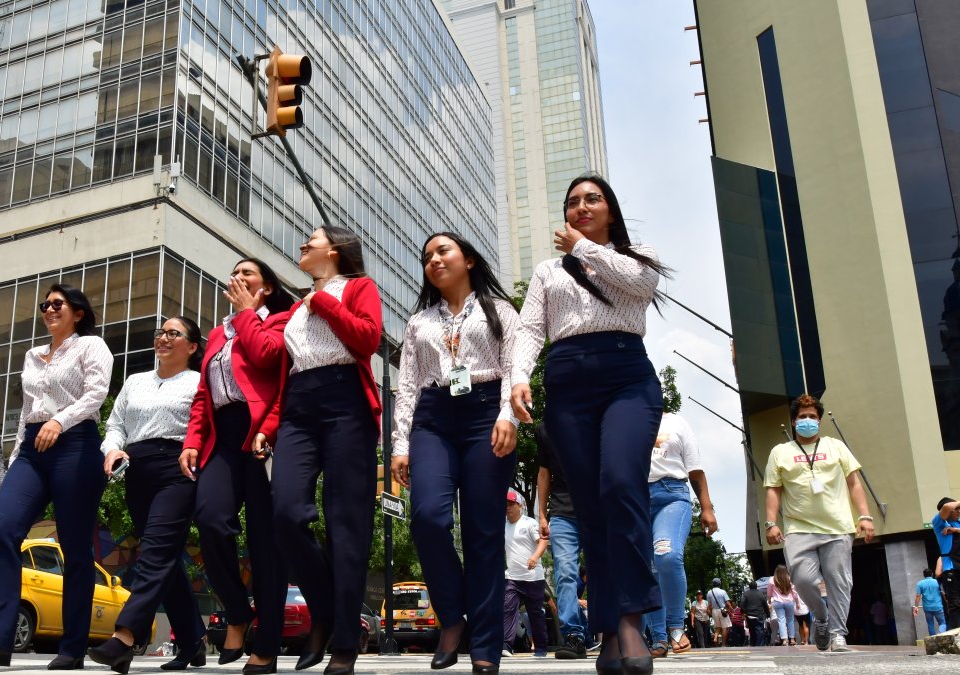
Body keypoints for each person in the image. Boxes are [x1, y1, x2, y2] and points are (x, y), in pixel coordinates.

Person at [512, 173, 670, 675]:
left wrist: (583, 248)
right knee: (591, 509)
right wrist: (518, 377)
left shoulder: (636, 255)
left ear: (610, 210)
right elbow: (530, 328)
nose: (581, 207)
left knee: (621, 485)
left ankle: (629, 624)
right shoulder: (546, 272)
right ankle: (607, 629)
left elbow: (640, 286)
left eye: (592, 200)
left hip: (627, 377)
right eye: (573, 202)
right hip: (566, 384)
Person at [0, 284, 113, 669]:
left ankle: (72, 648)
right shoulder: (32, 355)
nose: (49, 309)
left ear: (77, 312)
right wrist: (14, 461)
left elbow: (96, 394)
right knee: (3, 530)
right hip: (32, 450)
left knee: (76, 550)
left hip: (75, 444)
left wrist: (59, 421)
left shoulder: (92, 347)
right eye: (45, 305)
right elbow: (28, 411)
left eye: (57, 304)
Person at [389, 232, 519, 673]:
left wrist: (509, 417)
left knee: (482, 534)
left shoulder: (500, 311)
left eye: (443, 251)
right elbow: (407, 385)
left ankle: (485, 643)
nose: (434, 259)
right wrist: (400, 444)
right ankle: (451, 619)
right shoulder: (419, 322)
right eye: (427, 256)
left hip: (487, 413)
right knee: (428, 516)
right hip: (434, 418)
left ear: (469, 260)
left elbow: (515, 369)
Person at [266, 226, 382, 675]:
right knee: (286, 512)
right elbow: (289, 369)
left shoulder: (358, 287)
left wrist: (325, 303)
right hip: (298, 407)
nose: (301, 245)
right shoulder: (298, 306)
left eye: (309, 240)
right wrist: (270, 425)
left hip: (344, 403)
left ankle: (345, 643)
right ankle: (327, 609)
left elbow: (367, 340)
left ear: (333, 250)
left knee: (346, 526)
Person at [180, 258, 295, 675]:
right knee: (210, 519)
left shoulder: (283, 319)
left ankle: (266, 645)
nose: (238, 277)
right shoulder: (216, 333)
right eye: (235, 272)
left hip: (264, 435)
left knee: (266, 545)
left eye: (248, 273)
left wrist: (247, 313)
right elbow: (202, 394)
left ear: (265, 286)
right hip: (222, 437)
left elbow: (268, 358)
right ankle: (237, 611)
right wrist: (193, 441)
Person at [87, 316, 206, 674]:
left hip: (179, 470)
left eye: (174, 333)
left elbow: (203, 427)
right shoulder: (136, 381)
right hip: (137, 471)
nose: (163, 338)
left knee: (154, 550)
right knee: (165, 560)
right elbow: (116, 424)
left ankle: (124, 637)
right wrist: (112, 449)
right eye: (161, 332)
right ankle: (192, 642)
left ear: (192, 346)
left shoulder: (199, 383)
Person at [764, 393, 876, 653]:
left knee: (840, 581)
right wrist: (771, 522)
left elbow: (854, 481)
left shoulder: (835, 446)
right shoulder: (780, 452)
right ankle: (821, 616)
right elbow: (773, 489)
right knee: (801, 579)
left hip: (838, 526)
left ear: (819, 421)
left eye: (812, 417)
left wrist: (865, 516)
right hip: (798, 527)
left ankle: (837, 634)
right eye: (802, 417)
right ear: (793, 422)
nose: (807, 421)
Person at [643, 412, 717, 657]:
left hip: (672, 494)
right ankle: (658, 638)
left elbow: (695, 470)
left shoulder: (677, 422)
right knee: (649, 568)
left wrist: (706, 507)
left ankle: (676, 627)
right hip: (635, 498)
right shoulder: (624, 420)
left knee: (666, 555)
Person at [536, 423, 589, 659]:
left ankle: (615, 632)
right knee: (565, 572)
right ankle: (573, 635)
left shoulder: (596, 416)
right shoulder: (545, 429)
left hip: (598, 511)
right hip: (562, 513)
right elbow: (544, 472)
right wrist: (542, 515)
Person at [502, 490, 549, 659]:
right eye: (505, 504)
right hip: (512, 577)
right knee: (507, 608)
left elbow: (543, 541)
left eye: (511, 504)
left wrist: (535, 557)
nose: (508, 508)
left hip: (533, 578)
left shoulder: (529, 523)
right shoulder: (503, 526)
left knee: (535, 613)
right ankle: (506, 644)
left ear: (519, 506)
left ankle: (541, 647)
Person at [932, 497, 960, 628]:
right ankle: (953, 636)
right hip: (951, 569)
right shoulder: (939, 523)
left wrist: (957, 530)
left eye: (959, 509)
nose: (958, 511)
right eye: (955, 509)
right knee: (956, 604)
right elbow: (945, 508)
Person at [767, 565, 800, 646]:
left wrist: (769, 600)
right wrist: (797, 603)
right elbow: (794, 593)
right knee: (790, 620)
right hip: (789, 602)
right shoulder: (789, 579)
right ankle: (792, 639)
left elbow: (769, 592)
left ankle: (784, 640)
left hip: (778, 602)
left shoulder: (772, 579)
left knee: (781, 620)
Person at [914, 568, 947, 636]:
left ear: (924, 575)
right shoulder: (937, 582)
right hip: (938, 606)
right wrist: (947, 601)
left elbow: (918, 596)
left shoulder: (920, 584)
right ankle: (941, 634)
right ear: (932, 574)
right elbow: (943, 593)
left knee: (930, 624)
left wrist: (916, 607)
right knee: (942, 623)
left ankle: (933, 640)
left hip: (927, 608)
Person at [739, 581, 767, 646]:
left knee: (752, 630)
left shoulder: (745, 594)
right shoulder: (761, 594)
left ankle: (753, 644)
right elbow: (765, 604)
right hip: (759, 614)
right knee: (759, 630)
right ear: (756, 586)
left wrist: (743, 612)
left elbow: (742, 604)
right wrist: (767, 613)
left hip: (749, 615)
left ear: (749, 587)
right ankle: (759, 645)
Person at [706, 579, 730, 647]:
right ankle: (723, 644)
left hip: (714, 611)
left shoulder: (709, 592)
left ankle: (715, 638)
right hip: (722, 611)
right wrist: (731, 609)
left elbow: (709, 604)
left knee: (717, 627)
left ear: (712, 584)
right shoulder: (723, 591)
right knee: (724, 628)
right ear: (719, 584)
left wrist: (709, 611)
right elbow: (727, 602)